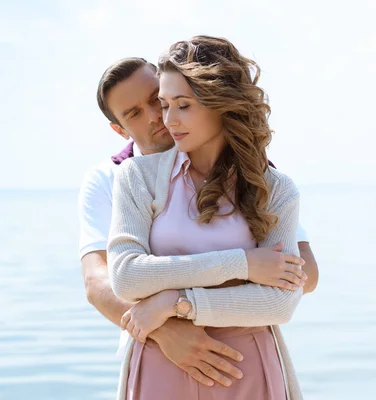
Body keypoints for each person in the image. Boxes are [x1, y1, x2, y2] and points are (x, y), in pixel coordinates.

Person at [78, 57, 318, 389]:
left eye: (158, 101)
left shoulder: (258, 177)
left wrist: (178, 300)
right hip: (158, 349)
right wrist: (167, 326)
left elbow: (300, 275)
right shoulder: (116, 177)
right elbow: (106, 281)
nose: (159, 117)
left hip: (244, 356)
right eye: (135, 113)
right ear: (119, 129)